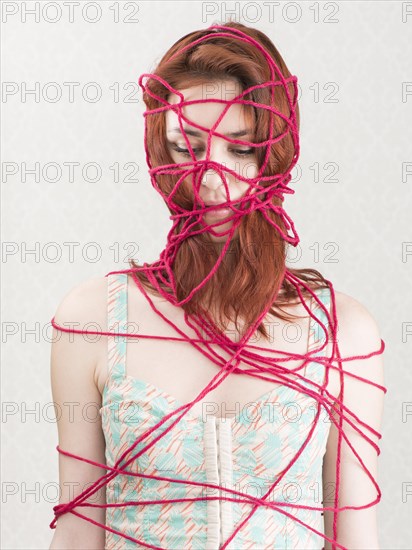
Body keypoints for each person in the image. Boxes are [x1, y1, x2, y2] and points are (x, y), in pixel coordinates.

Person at [48, 22, 386, 550]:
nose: (211, 178)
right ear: (161, 151)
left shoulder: (344, 333)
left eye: (242, 150)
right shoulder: (92, 319)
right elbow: (77, 532)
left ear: (276, 152)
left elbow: (355, 541)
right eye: (187, 147)